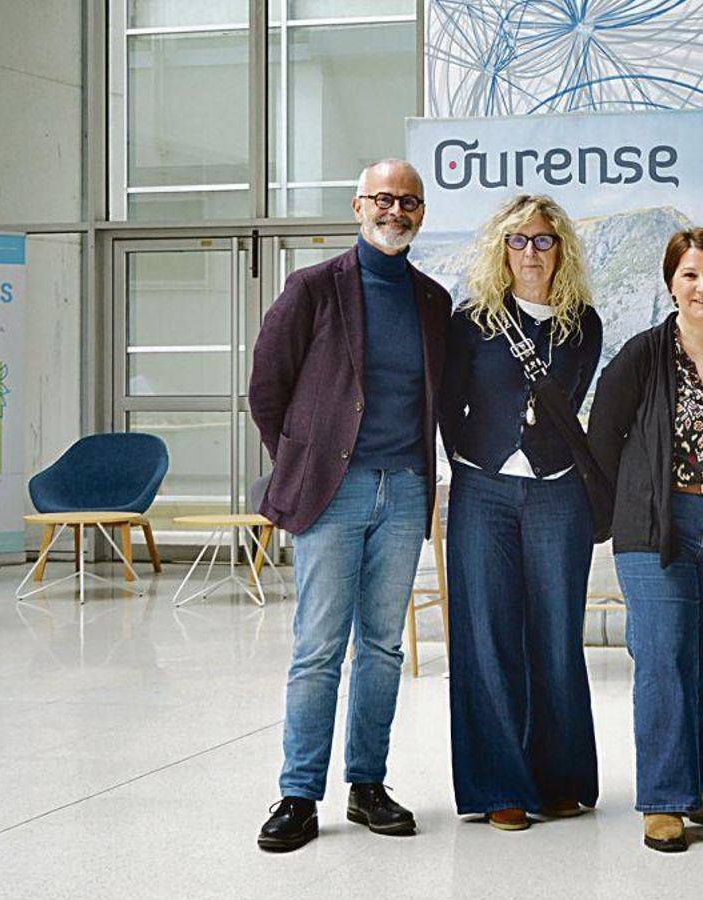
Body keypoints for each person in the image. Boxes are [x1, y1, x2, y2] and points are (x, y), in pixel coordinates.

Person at [249, 159, 450, 852]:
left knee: (383, 647)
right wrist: (305, 465)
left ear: (422, 213)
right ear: (358, 205)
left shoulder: (432, 300)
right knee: (317, 649)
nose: (397, 211)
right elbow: (266, 390)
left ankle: (368, 786)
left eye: (410, 202)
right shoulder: (312, 289)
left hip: (405, 491)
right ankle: (298, 795)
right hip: (333, 494)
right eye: (384, 199)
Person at [586, 228, 703, 853]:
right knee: (665, 655)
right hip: (655, 530)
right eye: (691, 275)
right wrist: (621, 516)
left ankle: (697, 784)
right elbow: (604, 439)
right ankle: (664, 799)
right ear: (672, 283)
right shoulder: (642, 356)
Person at [440, 194, 603, 831]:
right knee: (485, 636)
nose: (530, 253)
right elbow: (449, 402)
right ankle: (498, 786)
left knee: (557, 635)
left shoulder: (582, 324)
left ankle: (559, 780)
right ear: (500, 250)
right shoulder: (470, 321)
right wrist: (473, 459)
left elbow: (574, 398)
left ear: (560, 248)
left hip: (557, 491)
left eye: (542, 241)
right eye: (517, 241)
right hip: (481, 491)